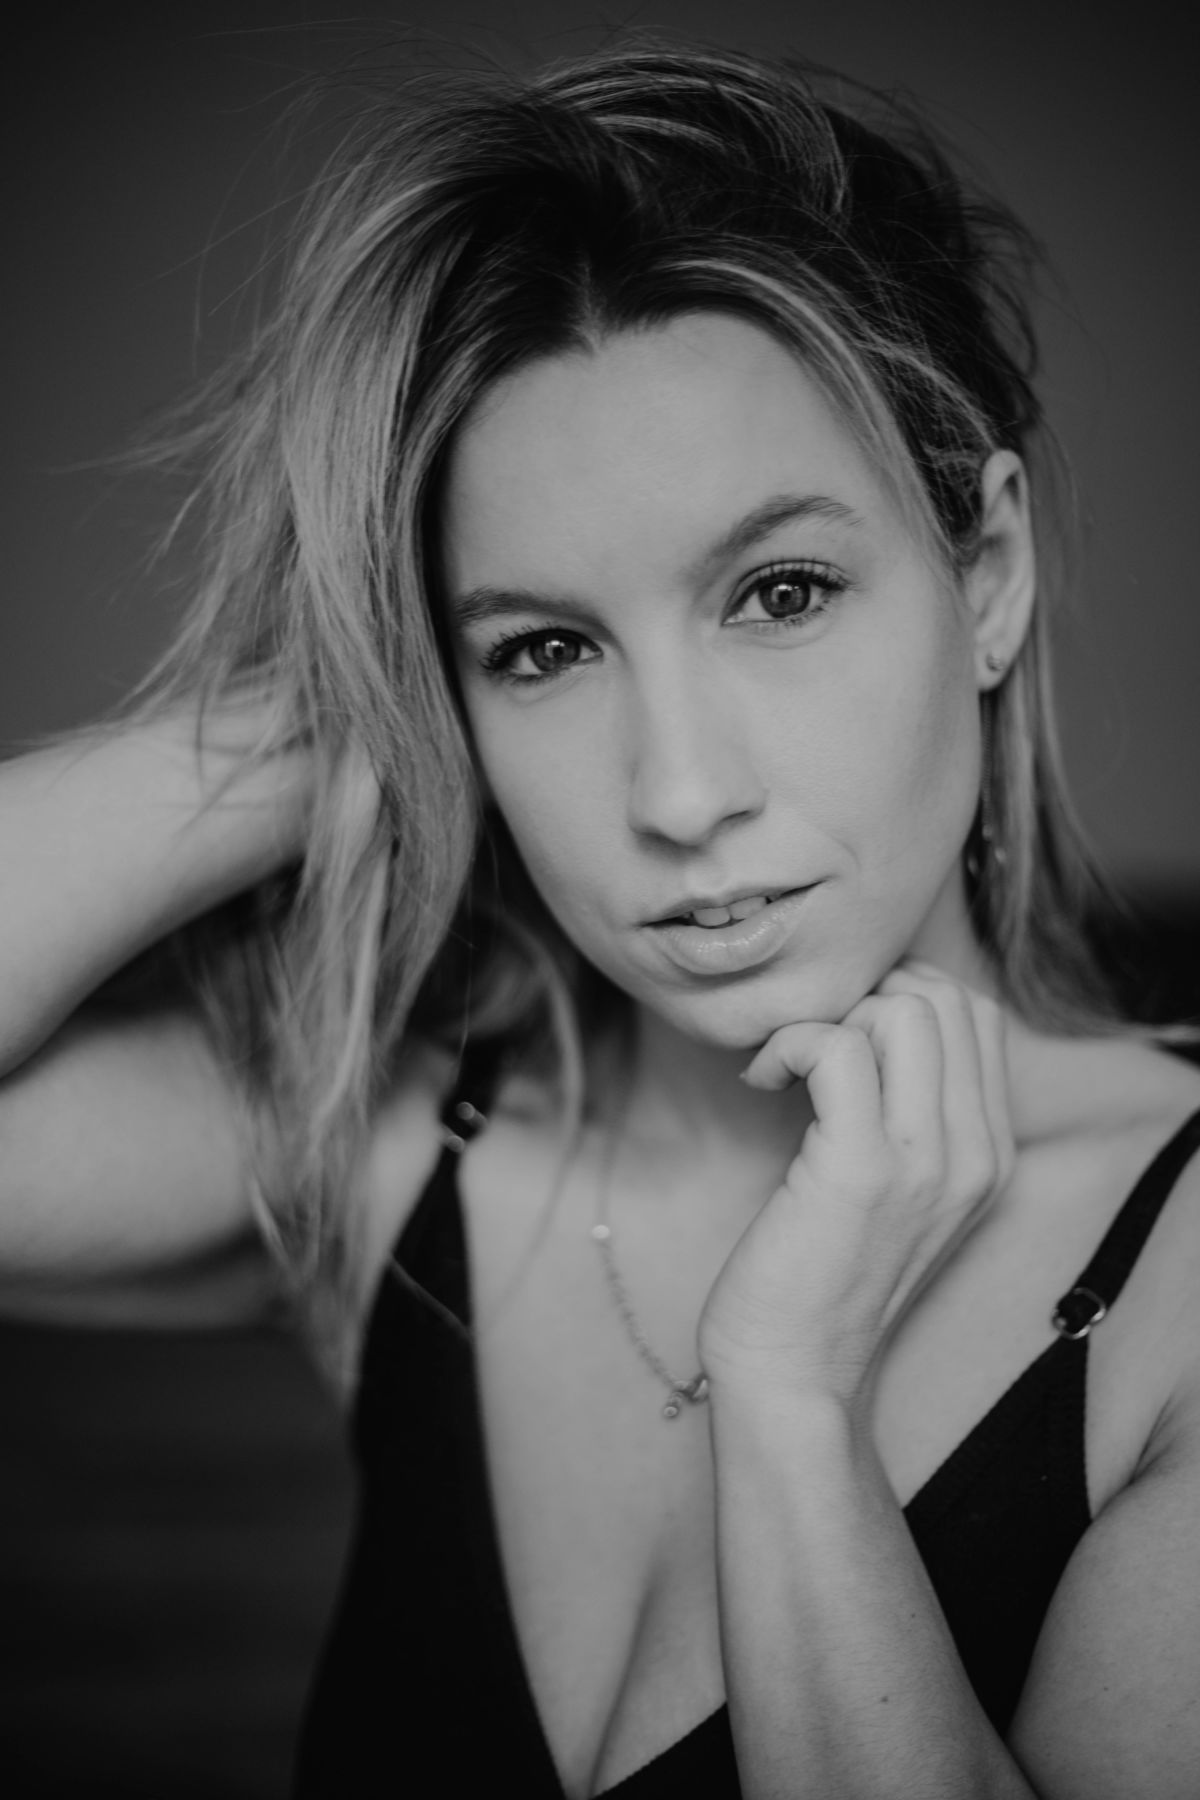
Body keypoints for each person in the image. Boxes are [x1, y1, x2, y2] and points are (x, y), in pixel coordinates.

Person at [3, 36, 1199, 1800]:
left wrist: (787, 1396)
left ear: (989, 576)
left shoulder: (1184, 1283)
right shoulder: (410, 1153)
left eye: (781, 592)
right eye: (545, 649)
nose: (680, 792)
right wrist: (340, 703)